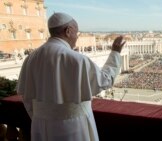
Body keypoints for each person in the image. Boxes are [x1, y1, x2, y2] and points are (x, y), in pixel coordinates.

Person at [17, 12, 126, 141]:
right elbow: (105, 80)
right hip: (72, 127)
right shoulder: (77, 59)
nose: (77, 37)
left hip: (40, 126)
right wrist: (115, 53)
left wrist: (41, 117)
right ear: (68, 31)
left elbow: (27, 98)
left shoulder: (31, 58)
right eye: (77, 33)